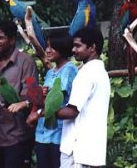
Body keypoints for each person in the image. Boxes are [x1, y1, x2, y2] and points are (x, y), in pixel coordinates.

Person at [0, 20, 38, 168]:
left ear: (12, 39)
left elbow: (33, 97)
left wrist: (1, 104)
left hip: (17, 136)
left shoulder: (27, 62)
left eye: (0, 38)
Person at [56, 28, 111, 168]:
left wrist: (43, 111)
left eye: (78, 46)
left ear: (92, 47)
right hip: (91, 150)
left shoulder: (86, 74)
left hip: (77, 150)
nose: (73, 50)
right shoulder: (100, 72)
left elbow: (72, 112)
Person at [29, 31, 78, 168]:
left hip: (58, 134)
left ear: (62, 48)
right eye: (47, 46)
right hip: (42, 133)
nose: (47, 50)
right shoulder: (51, 72)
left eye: (52, 47)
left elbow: (55, 100)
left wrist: (36, 114)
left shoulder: (69, 70)